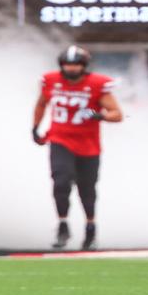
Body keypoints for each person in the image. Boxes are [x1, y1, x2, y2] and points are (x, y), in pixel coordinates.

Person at [32, 46, 123, 250]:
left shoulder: (97, 85)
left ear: (84, 66)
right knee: (61, 181)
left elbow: (117, 114)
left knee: (87, 189)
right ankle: (62, 225)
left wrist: (100, 115)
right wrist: (36, 127)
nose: (71, 69)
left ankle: (91, 228)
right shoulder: (51, 81)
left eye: (76, 65)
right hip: (60, 138)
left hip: (88, 145)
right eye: (68, 64)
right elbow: (41, 104)